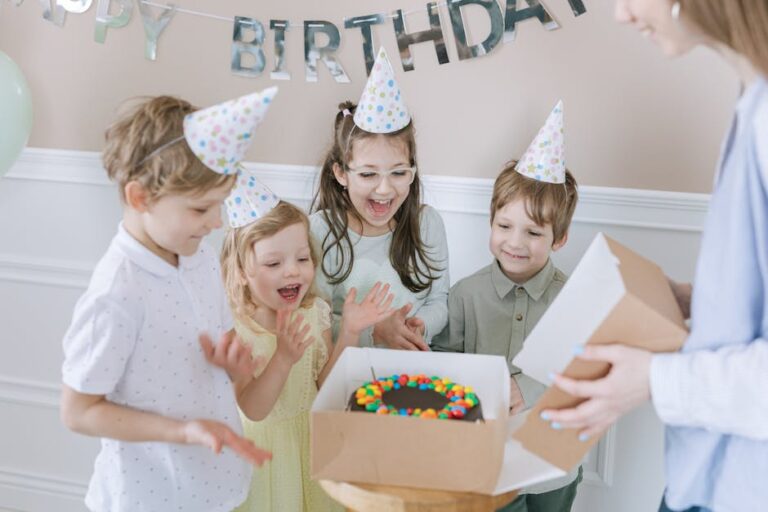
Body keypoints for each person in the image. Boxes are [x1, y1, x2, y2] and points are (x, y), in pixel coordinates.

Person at [539, 2, 768, 511]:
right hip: (705, 476)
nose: (622, 15)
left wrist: (655, 379)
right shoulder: (751, 100)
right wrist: (697, 300)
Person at [60, 89, 278, 512]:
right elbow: (78, 411)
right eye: (201, 210)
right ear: (140, 197)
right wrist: (182, 431)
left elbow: (217, 360)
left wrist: (234, 366)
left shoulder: (201, 260)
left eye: (220, 206)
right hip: (147, 496)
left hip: (213, 488)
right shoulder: (116, 293)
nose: (216, 223)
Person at [433, 102, 582, 512]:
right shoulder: (466, 294)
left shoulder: (573, 299)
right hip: (488, 457)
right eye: (504, 226)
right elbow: (446, 359)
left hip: (555, 461)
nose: (515, 242)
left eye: (533, 232)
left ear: (559, 238)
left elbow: (584, 368)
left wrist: (527, 387)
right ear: (490, 222)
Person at [220, 175, 395, 511]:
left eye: (302, 259)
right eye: (274, 263)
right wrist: (283, 357)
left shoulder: (315, 312)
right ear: (242, 270)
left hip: (315, 447)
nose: (292, 272)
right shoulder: (235, 332)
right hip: (264, 460)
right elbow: (254, 410)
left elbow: (325, 386)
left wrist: (349, 333)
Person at [310, 47, 449, 351]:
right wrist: (374, 332)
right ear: (342, 173)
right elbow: (314, 321)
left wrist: (417, 325)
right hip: (343, 373)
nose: (385, 190)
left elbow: (439, 300)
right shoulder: (318, 232)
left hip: (412, 372)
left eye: (399, 173)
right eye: (369, 175)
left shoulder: (427, 224)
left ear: (413, 170)